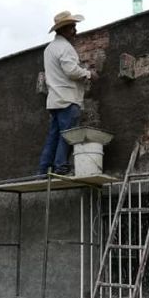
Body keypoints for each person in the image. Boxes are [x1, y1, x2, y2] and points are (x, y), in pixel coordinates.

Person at [38, 10, 98, 175]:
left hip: (55, 100)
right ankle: (61, 167)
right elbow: (71, 70)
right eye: (72, 27)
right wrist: (88, 74)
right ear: (63, 29)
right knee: (68, 135)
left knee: (54, 136)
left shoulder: (49, 49)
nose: (75, 30)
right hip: (68, 99)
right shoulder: (65, 48)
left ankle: (44, 169)